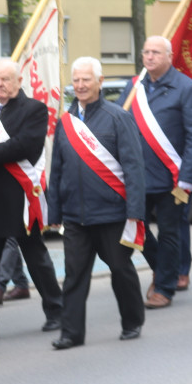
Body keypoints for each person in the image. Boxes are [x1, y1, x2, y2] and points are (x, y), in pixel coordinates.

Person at [46, 56, 145, 348]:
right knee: (75, 276)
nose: (80, 85)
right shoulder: (66, 122)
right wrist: (55, 210)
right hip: (76, 217)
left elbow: (134, 168)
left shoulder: (118, 117)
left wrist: (134, 212)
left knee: (121, 270)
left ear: (99, 82)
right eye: (76, 80)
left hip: (112, 214)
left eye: (86, 80)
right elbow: (57, 169)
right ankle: (71, 333)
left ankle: (132, 320)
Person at [0, 58, 63, 340]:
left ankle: (57, 310)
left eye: (5, 79)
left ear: (19, 81)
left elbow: (24, 145)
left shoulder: (33, 109)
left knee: (36, 257)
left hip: (19, 198)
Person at [117, 36, 192, 308]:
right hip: (137, 176)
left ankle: (165, 287)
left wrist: (187, 178)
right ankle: (161, 267)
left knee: (169, 232)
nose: (150, 57)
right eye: (146, 52)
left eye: (156, 52)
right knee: (136, 228)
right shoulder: (134, 87)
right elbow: (118, 123)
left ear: (169, 56)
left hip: (171, 177)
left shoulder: (186, 88)